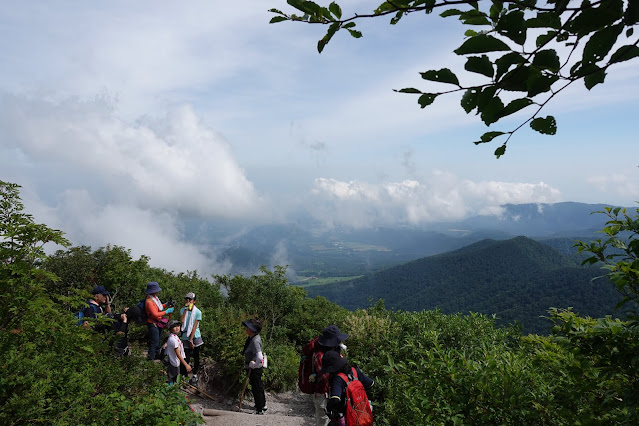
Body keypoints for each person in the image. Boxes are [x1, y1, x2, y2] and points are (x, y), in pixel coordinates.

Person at [321, 351, 374, 425]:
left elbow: (336, 398)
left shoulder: (338, 379)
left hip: (346, 416)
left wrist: (328, 409)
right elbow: (371, 384)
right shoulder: (354, 371)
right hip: (360, 412)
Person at [312, 325, 350, 426]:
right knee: (323, 421)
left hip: (334, 393)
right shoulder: (319, 355)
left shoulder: (335, 351)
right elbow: (325, 376)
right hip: (323, 394)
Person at [144, 281, 174, 361]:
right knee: (155, 341)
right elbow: (155, 314)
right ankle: (150, 358)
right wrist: (167, 311)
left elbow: (159, 307)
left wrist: (166, 304)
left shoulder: (154, 298)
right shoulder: (149, 302)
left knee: (158, 339)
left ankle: (157, 354)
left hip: (158, 322)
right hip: (152, 323)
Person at [242, 319, 266, 415]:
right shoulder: (252, 338)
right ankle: (262, 405)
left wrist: (254, 365)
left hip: (254, 368)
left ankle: (259, 409)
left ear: (252, 329)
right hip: (255, 366)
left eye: (248, 327)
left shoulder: (255, 341)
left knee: (256, 387)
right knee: (258, 386)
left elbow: (260, 357)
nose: (246, 329)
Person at [180, 292, 203, 385]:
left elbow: (194, 326)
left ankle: (194, 375)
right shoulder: (183, 309)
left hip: (195, 335)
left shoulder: (198, 312)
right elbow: (182, 321)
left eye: (190, 300)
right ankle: (184, 376)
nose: (188, 301)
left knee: (196, 356)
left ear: (194, 301)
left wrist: (191, 340)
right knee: (186, 356)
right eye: (187, 299)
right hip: (185, 335)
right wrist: (186, 309)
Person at [165, 319, 192, 384]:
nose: (177, 328)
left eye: (178, 326)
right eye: (174, 326)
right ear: (170, 329)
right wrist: (186, 365)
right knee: (173, 379)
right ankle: (170, 391)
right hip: (174, 363)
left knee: (173, 378)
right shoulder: (173, 340)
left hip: (174, 362)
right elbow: (178, 354)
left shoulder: (174, 337)